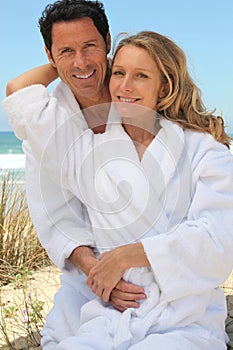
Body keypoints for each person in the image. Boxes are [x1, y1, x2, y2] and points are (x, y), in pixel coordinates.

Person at [3, 24, 233, 348]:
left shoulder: (203, 150)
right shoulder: (89, 149)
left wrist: (127, 257)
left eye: (141, 75)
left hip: (181, 315)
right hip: (110, 315)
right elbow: (21, 95)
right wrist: (70, 61)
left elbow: (218, 241)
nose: (125, 86)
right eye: (119, 73)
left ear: (164, 87)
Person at [2, 1, 147, 348]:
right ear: (49, 56)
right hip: (89, 273)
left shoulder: (140, 95)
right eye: (66, 50)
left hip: (151, 259)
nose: (81, 63)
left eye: (90, 46)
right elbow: (55, 216)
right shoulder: (47, 121)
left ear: (108, 41)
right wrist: (101, 276)